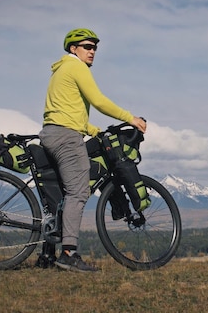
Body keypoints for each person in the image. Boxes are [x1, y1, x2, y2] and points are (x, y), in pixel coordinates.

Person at [38, 28, 147, 272]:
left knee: (61, 193)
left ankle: (47, 253)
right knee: (78, 192)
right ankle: (68, 253)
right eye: (87, 46)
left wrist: (93, 129)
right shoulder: (75, 67)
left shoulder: (61, 71)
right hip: (66, 138)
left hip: (55, 133)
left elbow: (64, 113)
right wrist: (130, 118)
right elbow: (98, 100)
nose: (92, 51)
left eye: (95, 47)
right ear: (73, 48)